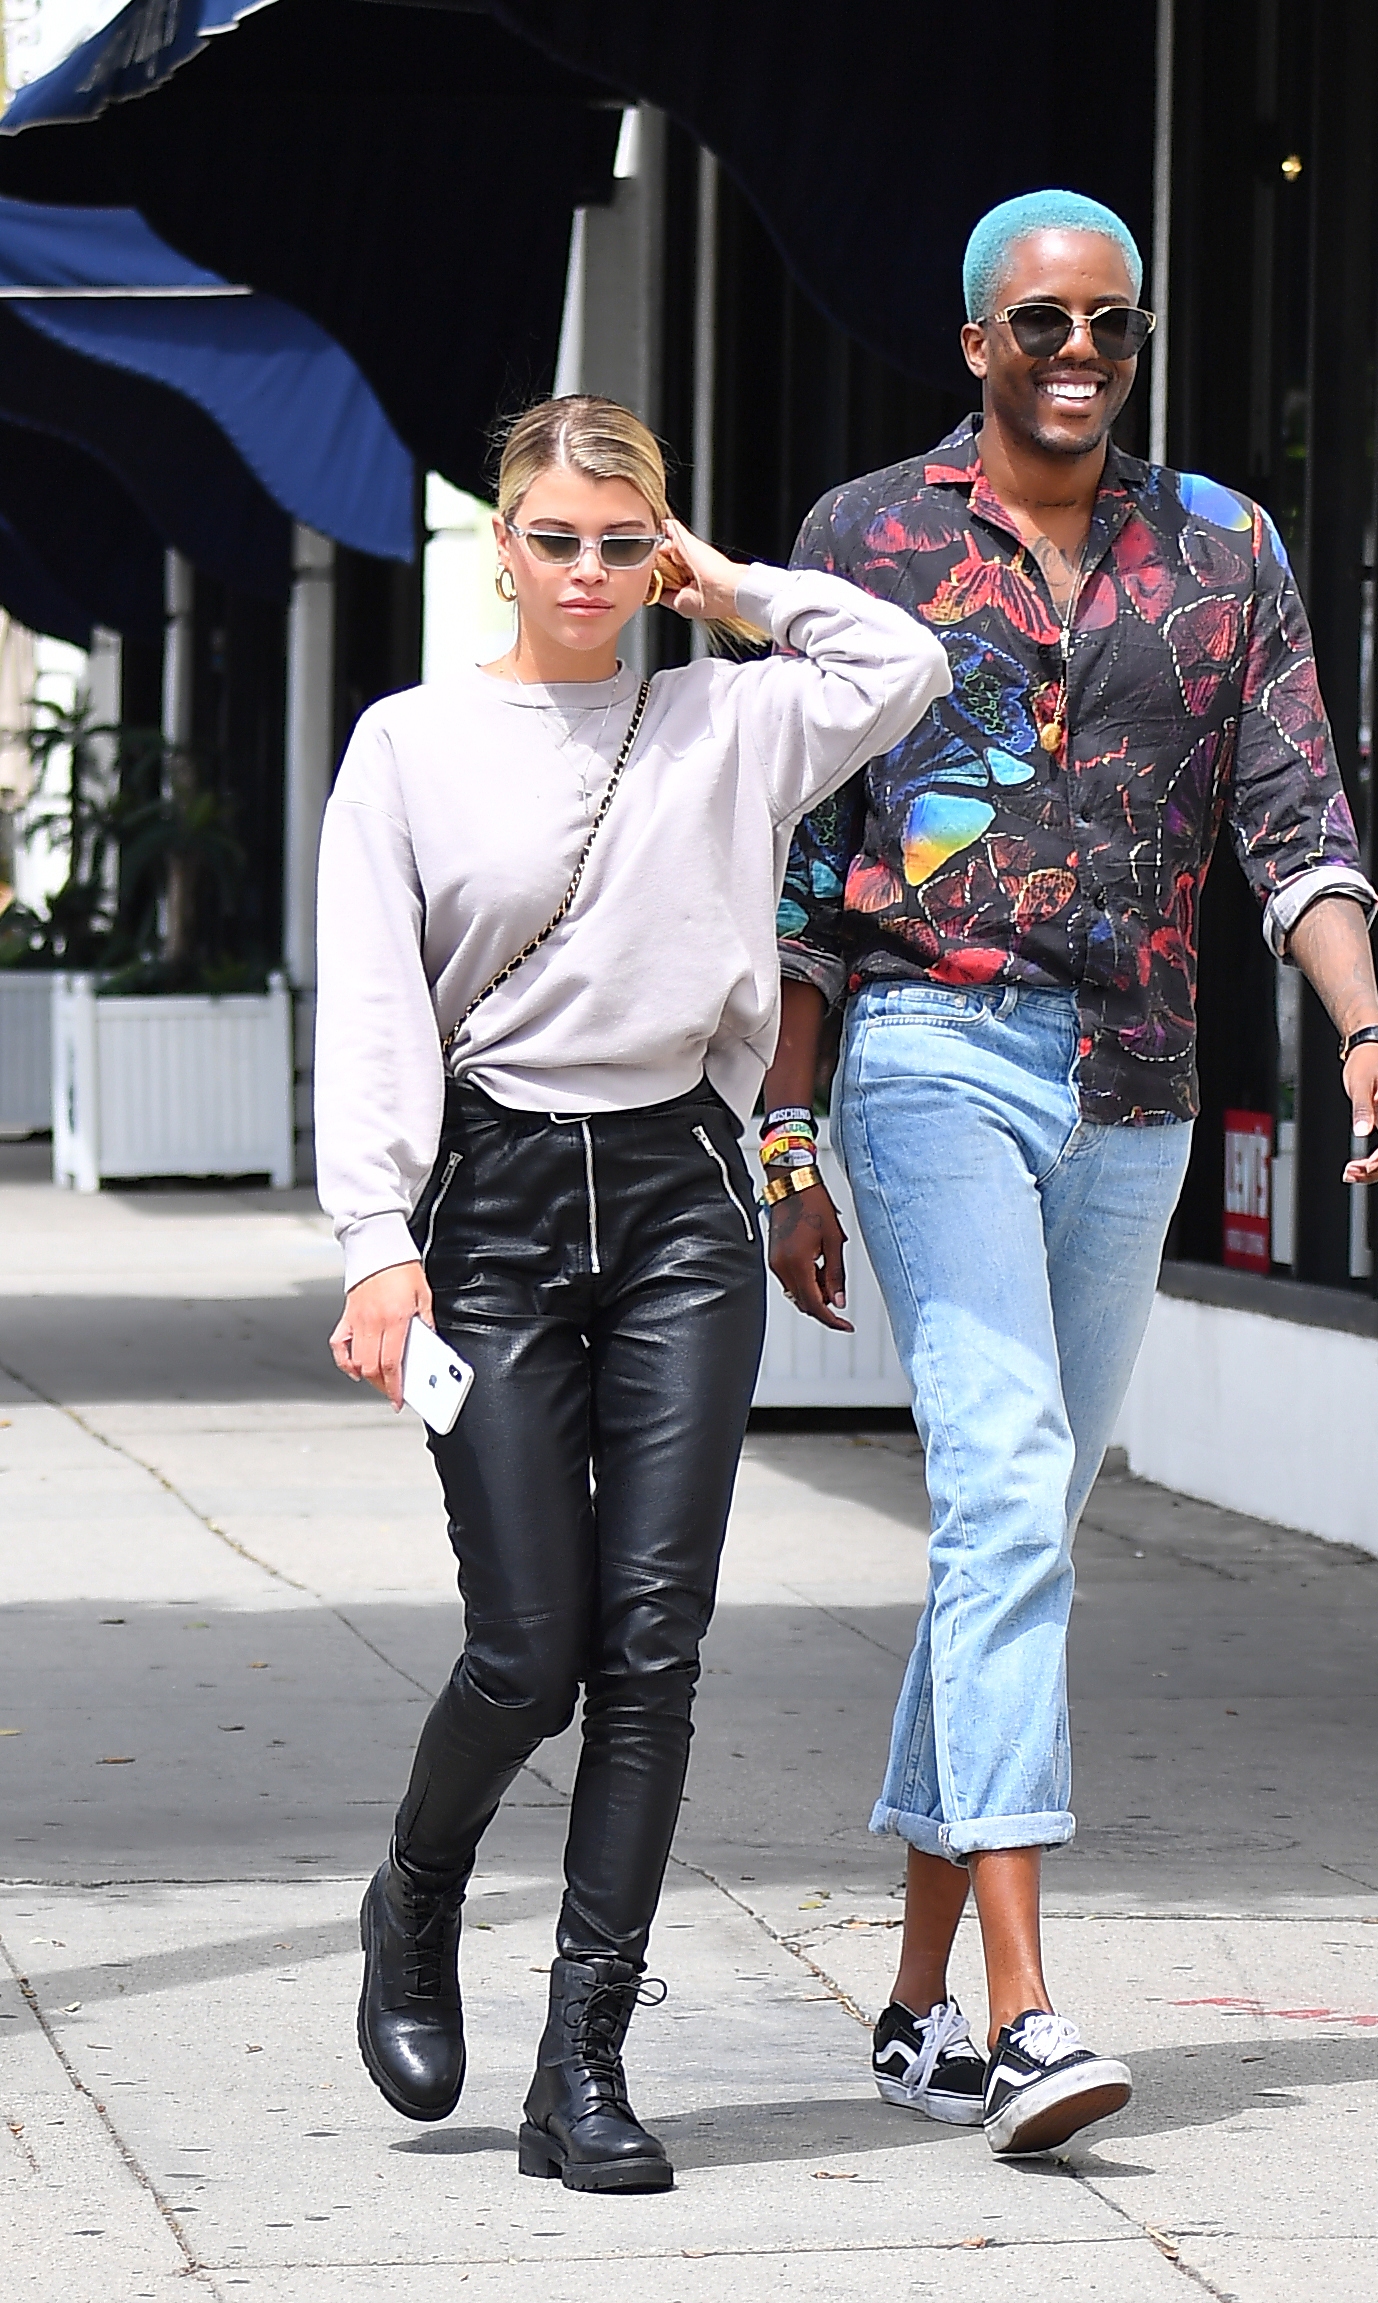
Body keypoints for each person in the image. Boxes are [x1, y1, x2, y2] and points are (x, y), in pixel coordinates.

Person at [764, 191, 1378, 2158]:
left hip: (1134, 1085)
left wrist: (1362, 1022)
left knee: (1021, 1520)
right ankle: (1023, 2016)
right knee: (992, 1492)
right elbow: (808, 872)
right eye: (1040, 320)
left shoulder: (1220, 548)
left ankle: (900, 2003)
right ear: (971, 340)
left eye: (1109, 326)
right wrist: (782, 1137)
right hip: (925, 1059)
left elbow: (1291, 819)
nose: (1077, 352)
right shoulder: (860, 545)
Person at [313, 394, 949, 2193]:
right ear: (500, 545)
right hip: (495, 1199)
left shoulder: (731, 713)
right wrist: (377, 1241)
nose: (586, 573)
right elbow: (371, 1004)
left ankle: (578, 2068)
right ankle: (414, 1891)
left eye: (620, 541)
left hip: (679, 1196)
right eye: (554, 539)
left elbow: (902, 660)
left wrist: (731, 586)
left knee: (651, 1655)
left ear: (652, 548)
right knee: (528, 1651)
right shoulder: (413, 743)